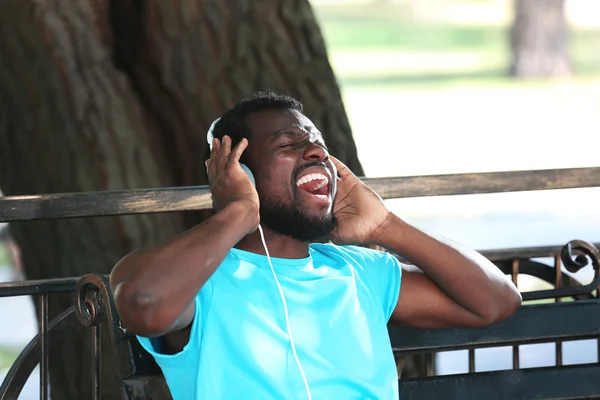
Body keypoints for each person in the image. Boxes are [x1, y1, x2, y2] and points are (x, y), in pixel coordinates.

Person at [110, 91, 522, 400]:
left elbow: (496, 301)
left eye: (319, 145)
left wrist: (387, 226)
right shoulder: (203, 281)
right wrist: (238, 212)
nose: (317, 152)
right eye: (289, 144)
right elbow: (145, 302)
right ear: (240, 172)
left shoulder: (359, 271)